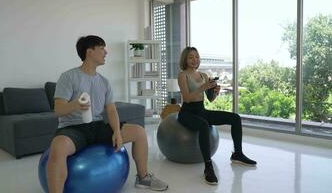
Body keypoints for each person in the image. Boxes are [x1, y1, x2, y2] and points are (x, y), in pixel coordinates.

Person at [46, 35, 169, 193]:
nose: (106, 52)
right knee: (58, 147)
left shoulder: (104, 81)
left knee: (139, 132)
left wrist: (117, 131)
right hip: (72, 128)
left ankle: (143, 177)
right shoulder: (68, 77)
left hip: (97, 126)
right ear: (89, 52)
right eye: (102, 48)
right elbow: (58, 109)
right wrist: (76, 104)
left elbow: (111, 110)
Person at [177, 46, 257, 185]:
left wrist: (215, 91)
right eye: (191, 57)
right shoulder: (182, 75)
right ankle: (208, 167)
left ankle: (237, 154)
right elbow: (187, 98)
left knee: (235, 118)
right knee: (203, 124)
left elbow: (210, 99)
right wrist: (203, 87)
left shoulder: (203, 75)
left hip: (201, 110)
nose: (194, 60)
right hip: (186, 113)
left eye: (196, 57)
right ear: (185, 59)